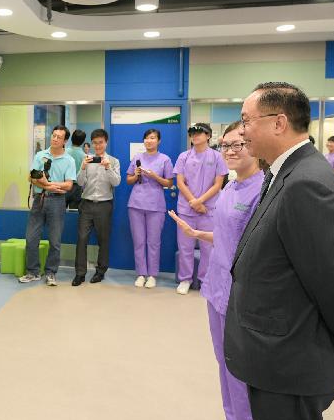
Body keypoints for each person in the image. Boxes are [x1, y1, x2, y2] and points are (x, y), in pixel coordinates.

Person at [224, 82, 334, 420]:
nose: (242, 131)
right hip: (277, 353)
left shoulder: (307, 183)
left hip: (288, 359)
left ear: (279, 123)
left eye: (246, 121)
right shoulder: (286, 172)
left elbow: (330, 275)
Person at [169, 121, 263, 420]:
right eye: (227, 145)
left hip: (240, 296)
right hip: (216, 289)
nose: (231, 151)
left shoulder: (263, 190)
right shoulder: (233, 187)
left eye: (239, 144)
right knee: (225, 364)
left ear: (256, 143)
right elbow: (226, 236)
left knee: (240, 369)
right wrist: (198, 234)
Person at [173, 123, 228, 295]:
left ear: (208, 135)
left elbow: (218, 184)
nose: (195, 136)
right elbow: (180, 182)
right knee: (185, 246)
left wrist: (200, 201)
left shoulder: (217, 157)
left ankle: (205, 280)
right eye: (192, 133)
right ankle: (185, 279)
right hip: (187, 208)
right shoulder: (184, 156)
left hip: (208, 209)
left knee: (208, 248)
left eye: (199, 133)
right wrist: (194, 202)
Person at [20, 125, 77, 286]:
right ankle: (32, 271)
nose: (55, 138)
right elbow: (31, 178)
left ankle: (51, 272)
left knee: (55, 240)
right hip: (39, 199)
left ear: (65, 141)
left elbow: (68, 185)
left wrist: (50, 184)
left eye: (59, 137)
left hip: (57, 201)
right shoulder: (40, 155)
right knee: (31, 238)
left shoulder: (69, 160)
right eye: (53, 135)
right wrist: (46, 186)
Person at [126, 129, 174, 289]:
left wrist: (155, 176)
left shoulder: (165, 160)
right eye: (146, 138)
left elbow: (169, 183)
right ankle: (141, 274)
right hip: (136, 204)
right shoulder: (137, 158)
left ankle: (152, 275)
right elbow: (129, 180)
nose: (149, 141)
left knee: (153, 242)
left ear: (158, 141)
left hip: (156, 206)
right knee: (138, 241)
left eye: (152, 138)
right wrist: (136, 174)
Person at [73, 129, 120, 286]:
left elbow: (116, 182)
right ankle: (80, 273)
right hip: (86, 204)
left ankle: (100, 272)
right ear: (91, 144)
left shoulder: (113, 161)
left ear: (106, 143)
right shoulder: (87, 159)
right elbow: (79, 182)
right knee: (81, 239)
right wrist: (83, 168)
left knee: (103, 240)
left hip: (104, 205)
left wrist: (108, 168)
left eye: (100, 142)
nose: (98, 145)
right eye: (95, 142)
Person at [66, 129, 86, 209]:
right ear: (83, 141)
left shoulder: (64, 152)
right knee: (74, 214)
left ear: (71, 138)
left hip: (64, 185)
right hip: (77, 187)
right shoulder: (84, 156)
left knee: (59, 213)